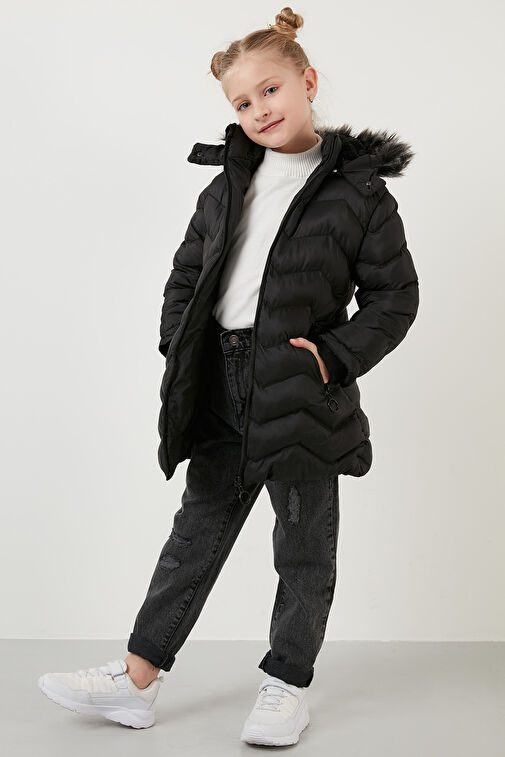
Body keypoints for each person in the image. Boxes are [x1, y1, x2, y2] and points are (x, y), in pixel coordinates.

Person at [38, 6, 419, 746]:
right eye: (242, 103)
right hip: (222, 379)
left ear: (307, 82)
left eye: (269, 90)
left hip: (303, 388)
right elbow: (186, 275)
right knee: (196, 532)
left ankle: (286, 685)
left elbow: (394, 296)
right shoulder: (224, 188)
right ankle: (137, 680)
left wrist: (331, 356)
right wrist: (178, 343)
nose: (258, 110)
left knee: (303, 546)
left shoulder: (360, 196)